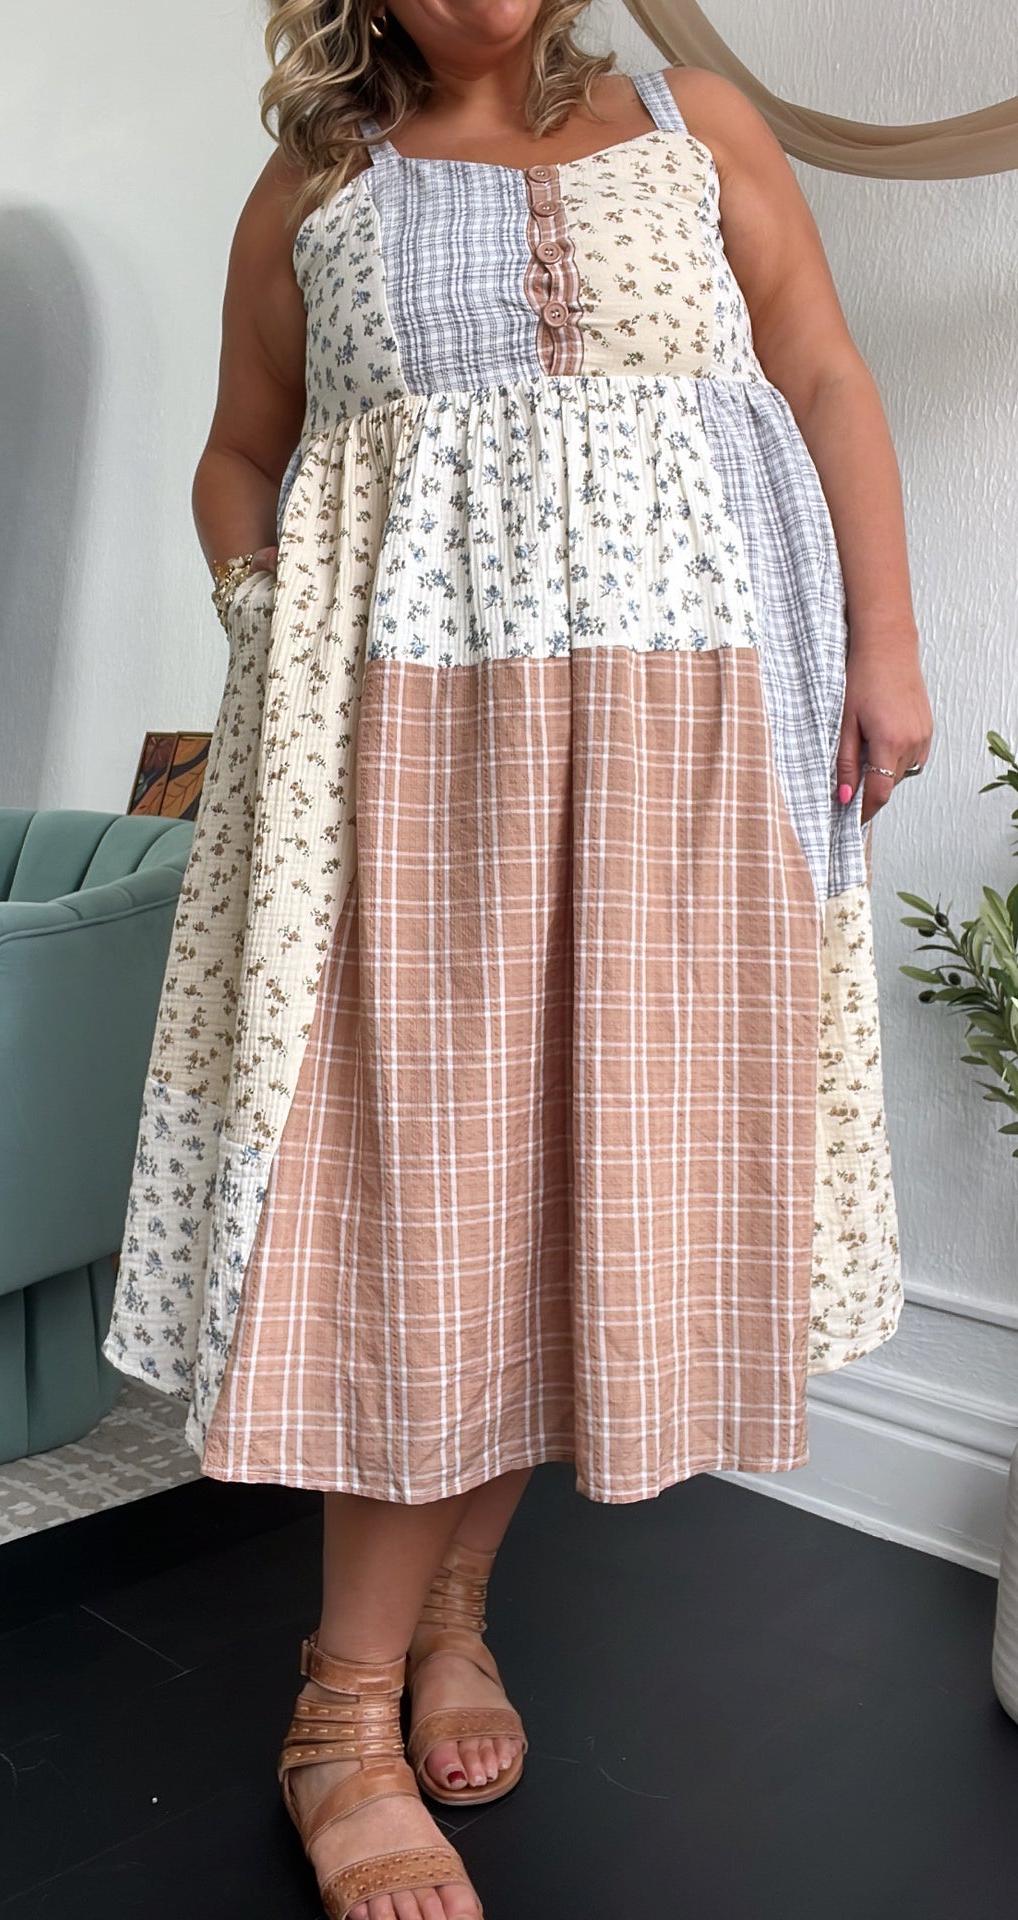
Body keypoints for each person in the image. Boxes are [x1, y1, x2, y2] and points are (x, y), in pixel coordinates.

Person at [105, 4, 933, 1917]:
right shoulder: (315, 183)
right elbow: (240, 455)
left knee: (581, 1184)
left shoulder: (696, 122)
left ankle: (455, 1612)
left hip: (692, 741)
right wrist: (267, 615)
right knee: (426, 1199)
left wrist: (888, 647)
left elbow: (821, 370)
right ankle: (338, 1715)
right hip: (414, 758)